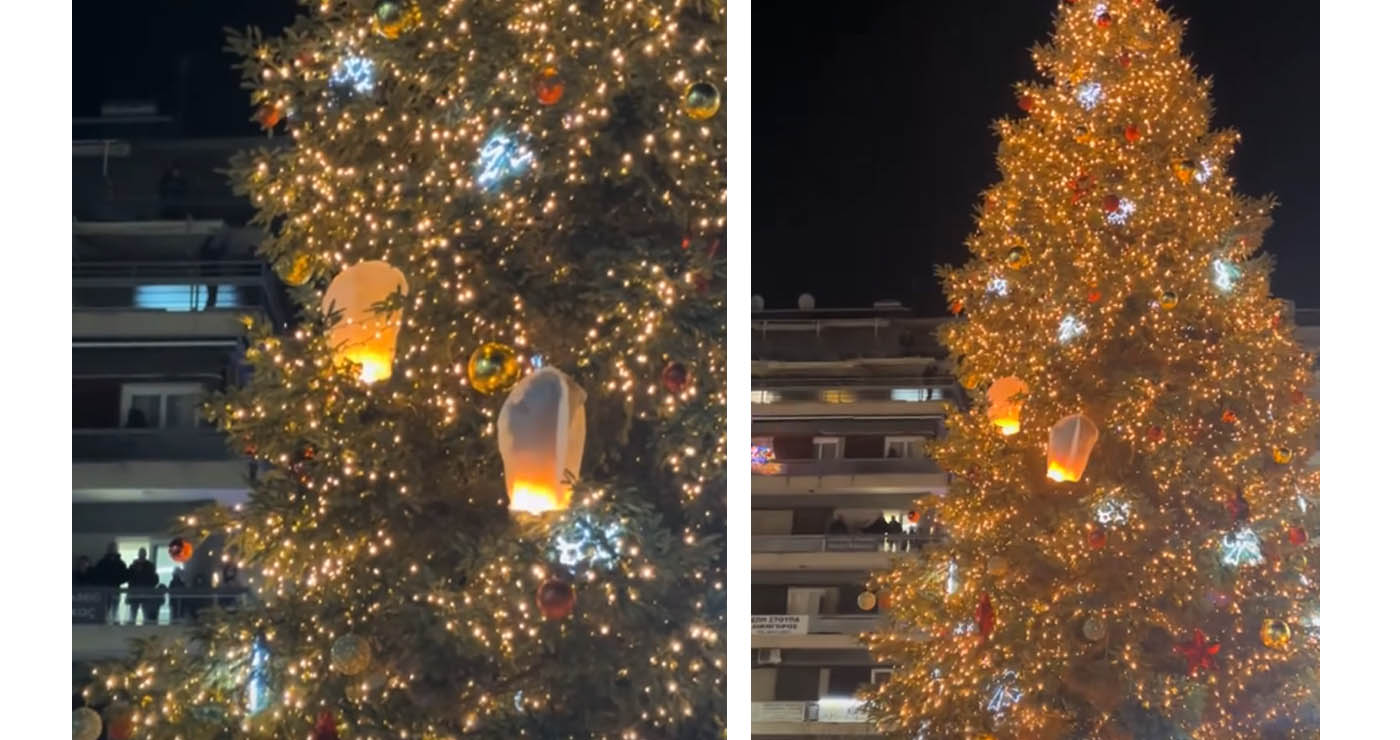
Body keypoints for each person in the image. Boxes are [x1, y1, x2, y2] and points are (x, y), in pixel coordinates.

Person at [90, 543, 129, 623]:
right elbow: (97, 575)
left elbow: (125, 576)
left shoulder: (121, 563)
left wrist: (116, 580)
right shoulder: (102, 562)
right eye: (111, 548)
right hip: (104, 590)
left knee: (115, 608)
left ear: (116, 549)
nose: (112, 550)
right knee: (104, 608)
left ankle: (115, 622)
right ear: (108, 549)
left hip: (115, 589)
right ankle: (104, 623)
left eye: (114, 548)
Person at [126, 548, 160, 624]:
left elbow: (154, 580)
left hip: (144, 593)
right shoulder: (134, 566)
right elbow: (129, 579)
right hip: (137, 593)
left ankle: (143, 626)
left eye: (142, 553)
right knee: (134, 614)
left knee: (144, 614)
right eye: (141, 553)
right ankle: (133, 626)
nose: (142, 555)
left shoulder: (149, 566)